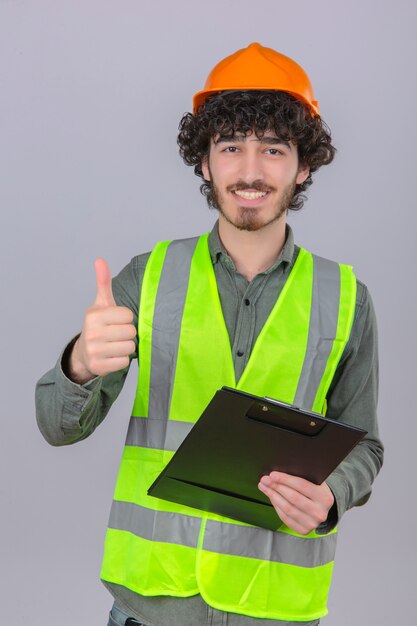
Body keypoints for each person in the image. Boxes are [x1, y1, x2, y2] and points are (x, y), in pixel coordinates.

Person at [36, 42, 383, 626]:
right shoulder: (147, 279)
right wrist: (78, 365)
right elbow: (56, 426)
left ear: (303, 165)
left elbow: (365, 448)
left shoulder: (346, 298)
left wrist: (331, 496)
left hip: (272, 608)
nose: (250, 171)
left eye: (273, 148)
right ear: (205, 162)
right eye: (231, 148)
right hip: (151, 606)